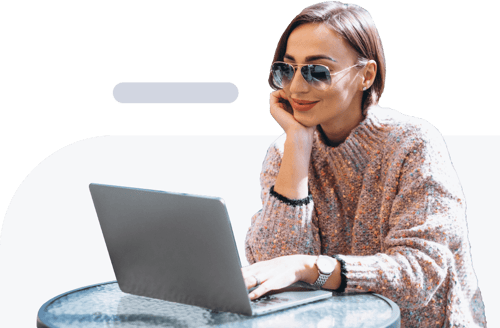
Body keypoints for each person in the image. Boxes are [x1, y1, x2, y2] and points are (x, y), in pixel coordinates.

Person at [242, 1, 487, 327]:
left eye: (318, 71)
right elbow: (278, 273)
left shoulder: (413, 144)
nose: (297, 87)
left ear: (366, 75)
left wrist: (311, 267)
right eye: (287, 69)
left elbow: (421, 273)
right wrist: (298, 146)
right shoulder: (285, 154)